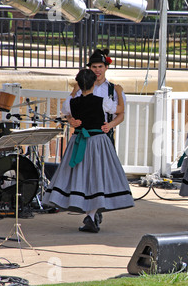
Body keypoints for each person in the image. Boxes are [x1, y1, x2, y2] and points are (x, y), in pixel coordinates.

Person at [42, 69, 134, 232]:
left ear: (79, 84)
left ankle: (90, 216)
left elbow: (66, 111)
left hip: (79, 141)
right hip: (97, 142)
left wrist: (74, 91)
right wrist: (119, 92)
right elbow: (119, 110)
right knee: (96, 177)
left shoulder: (72, 101)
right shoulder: (102, 100)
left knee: (82, 177)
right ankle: (91, 216)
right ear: (93, 84)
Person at [65, 49, 125, 145]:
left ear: (106, 67)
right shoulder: (80, 88)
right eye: (94, 67)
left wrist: (110, 125)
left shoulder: (114, 90)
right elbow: (68, 111)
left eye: (100, 66)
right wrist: (71, 120)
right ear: (89, 68)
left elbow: (121, 114)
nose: (97, 70)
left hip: (104, 136)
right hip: (82, 137)